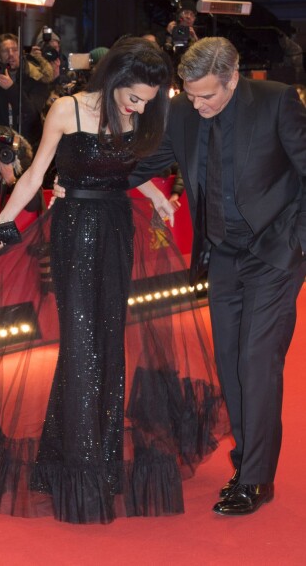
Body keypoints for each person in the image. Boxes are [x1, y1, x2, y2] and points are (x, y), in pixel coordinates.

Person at [0, 38, 227, 524]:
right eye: (134, 97)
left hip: (118, 228)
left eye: (146, 101)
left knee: (108, 343)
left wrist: (155, 195)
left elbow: (119, 168)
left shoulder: (133, 115)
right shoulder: (67, 108)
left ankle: (88, 461)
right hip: (74, 231)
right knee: (81, 346)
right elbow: (36, 175)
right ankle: (81, 471)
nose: (138, 107)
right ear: (116, 77)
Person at [58, 37, 306, 516]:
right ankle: (245, 461)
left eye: (207, 95)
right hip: (223, 256)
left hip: (274, 255)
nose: (198, 104)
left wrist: (296, 241)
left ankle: (256, 479)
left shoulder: (276, 102)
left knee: (257, 360)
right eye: (190, 95)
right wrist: (77, 180)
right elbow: (140, 164)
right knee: (231, 360)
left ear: (233, 78)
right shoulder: (186, 113)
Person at [0, 33, 51, 149]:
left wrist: (11, 88)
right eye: (5, 51)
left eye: (14, 50)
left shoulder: (36, 77)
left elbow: (31, 113)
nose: (11, 54)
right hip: (1, 144)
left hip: (30, 146)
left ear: (21, 52)